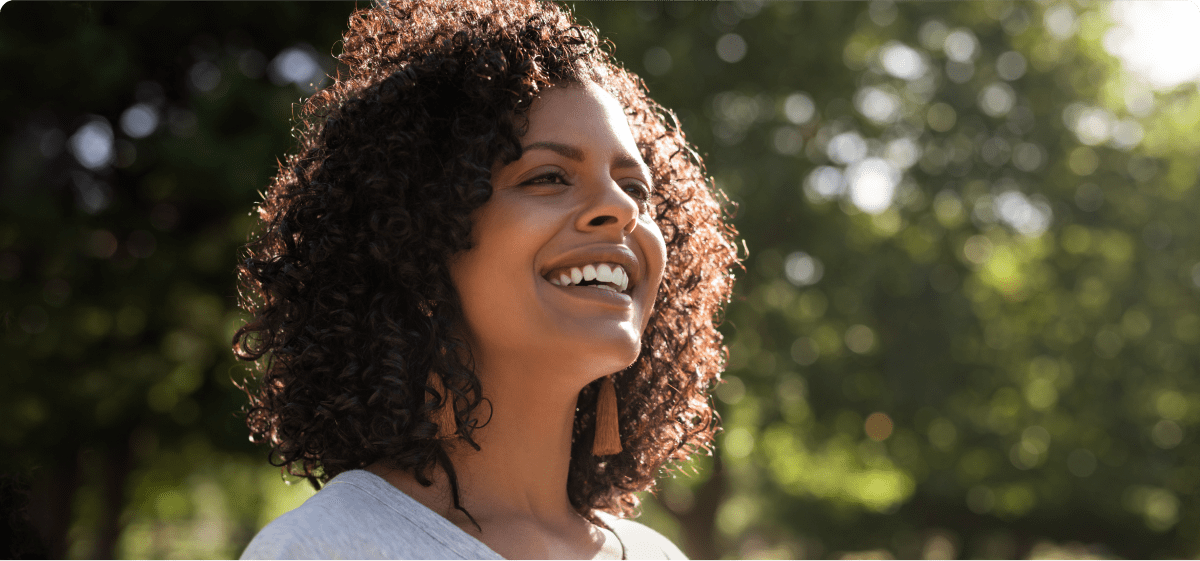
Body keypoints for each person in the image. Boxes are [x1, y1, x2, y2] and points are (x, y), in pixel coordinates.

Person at [233, 1, 738, 559]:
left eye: (635, 189)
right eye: (548, 177)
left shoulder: (657, 557)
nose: (621, 209)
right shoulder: (325, 550)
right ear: (420, 241)